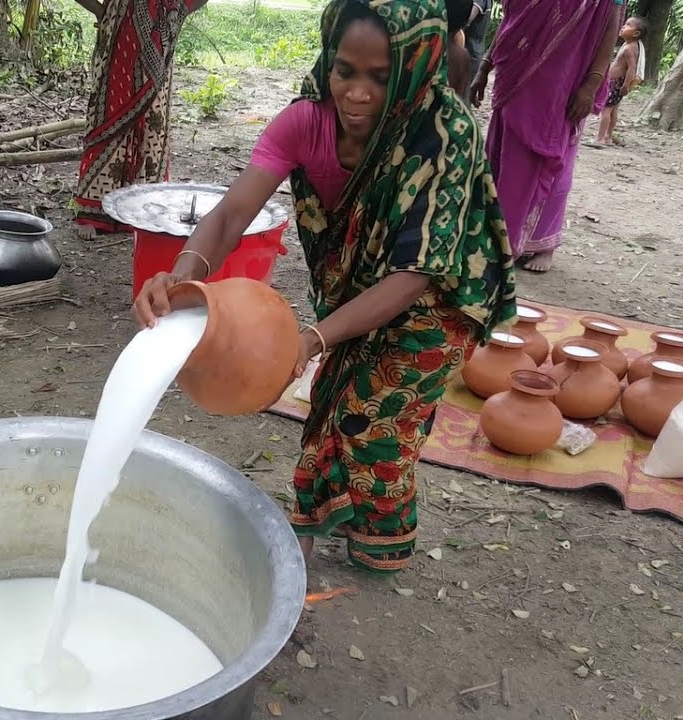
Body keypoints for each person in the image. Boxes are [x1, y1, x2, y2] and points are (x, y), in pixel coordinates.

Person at [132, 0, 517, 573]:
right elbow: (232, 213)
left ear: (415, 65)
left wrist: (311, 340)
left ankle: (382, 544)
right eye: (344, 70)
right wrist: (182, 275)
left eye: (379, 77)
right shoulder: (305, 121)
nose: (356, 93)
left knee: (376, 418)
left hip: (440, 295)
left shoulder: (445, 134)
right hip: (357, 288)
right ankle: (307, 536)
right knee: (331, 404)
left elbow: (414, 274)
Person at [470, 0, 621, 274]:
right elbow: (509, 21)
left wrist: (592, 83)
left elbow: (610, 25)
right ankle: (496, 237)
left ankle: (541, 244)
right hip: (514, 77)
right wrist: (484, 67)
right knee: (502, 158)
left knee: (549, 155)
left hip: (562, 82)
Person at [72, 0, 208, 233]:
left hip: (161, 35)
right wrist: (99, 10)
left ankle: (144, 205)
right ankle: (92, 211)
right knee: (109, 116)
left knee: (152, 121)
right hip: (119, 32)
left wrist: (180, 11)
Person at [596, 16, 649, 146]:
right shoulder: (631, 45)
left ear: (636, 33)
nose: (623, 26)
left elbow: (632, 68)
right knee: (613, 110)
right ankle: (608, 137)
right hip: (617, 83)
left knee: (606, 110)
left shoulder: (629, 48)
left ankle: (600, 138)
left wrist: (626, 85)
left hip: (616, 84)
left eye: (628, 25)